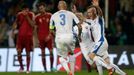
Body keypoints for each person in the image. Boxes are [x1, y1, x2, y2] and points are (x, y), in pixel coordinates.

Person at [83, 0, 127, 75]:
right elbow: (82, 19)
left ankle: (109, 68)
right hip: (101, 43)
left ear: (94, 12)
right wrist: (75, 13)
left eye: (90, 12)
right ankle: (123, 74)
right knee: (107, 61)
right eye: (88, 12)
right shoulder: (91, 21)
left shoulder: (99, 19)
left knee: (91, 56)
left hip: (101, 42)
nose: (88, 13)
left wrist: (97, 6)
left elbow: (100, 12)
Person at [49, 1, 80, 75]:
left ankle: (68, 71)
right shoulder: (71, 14)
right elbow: (79, 26)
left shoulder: (53, 15)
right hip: (70, 36)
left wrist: (55, 35)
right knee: (71, 54)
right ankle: (72, 72)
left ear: (58, 7)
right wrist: (79, 34)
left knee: (61, 57)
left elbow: (51, 29)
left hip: (59, 37)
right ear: (66, 7)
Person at [12, 4, 35, 73]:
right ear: (22, 10)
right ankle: (21, 68)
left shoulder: (31, 14)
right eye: (24, 10)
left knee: (28, 53)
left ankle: (28, 69)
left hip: (28, 37)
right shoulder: (19, 14)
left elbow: (32, 24)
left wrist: (27, 16)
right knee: (18, 51)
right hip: (20, 37)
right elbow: (16, 23)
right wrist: (13, 30)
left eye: (27, 9)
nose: (26, 11)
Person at [34, 2, 55, 72]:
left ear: (45, 8)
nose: (41, 9)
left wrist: (50, 35)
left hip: (49, 38)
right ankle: (45, 69)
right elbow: (35, 29)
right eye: (40, 9)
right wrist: (36, 39)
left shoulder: (50, 15)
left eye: (42, 8)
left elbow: (52, 27)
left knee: (51, 52)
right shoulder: (37, 17)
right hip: (41, 38)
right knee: (43, 53)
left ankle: (52, 68)